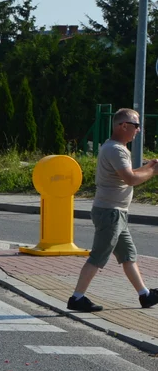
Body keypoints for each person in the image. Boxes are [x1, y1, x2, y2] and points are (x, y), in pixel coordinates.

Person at [67, 107, 158, 313]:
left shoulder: (113, 147)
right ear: (123, 126)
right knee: (98, 257)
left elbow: (130, 173)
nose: (138, 130)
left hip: (116, 212)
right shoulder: (115, 149)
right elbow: (131, 179)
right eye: (135, 125)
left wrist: (149, 166)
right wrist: (152, 171)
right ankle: (77, 298)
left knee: (128, 255)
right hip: (110, 213)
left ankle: (145, 295)